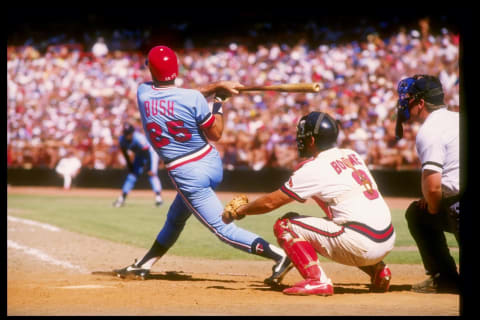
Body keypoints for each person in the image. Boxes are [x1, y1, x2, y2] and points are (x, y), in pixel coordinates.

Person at [114, 45, 292, 285]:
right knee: (175, 218)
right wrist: (218, 101)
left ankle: (280, 255)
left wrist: (216, 89)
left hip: (186, 171)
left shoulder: (143, 93)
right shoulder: (194, 98)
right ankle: (144, 265)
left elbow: (179, 96)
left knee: (222, 229)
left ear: (152, 70)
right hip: (209, 161)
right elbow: (216, 133)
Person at [222, 111, 396, 296]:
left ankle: (317, 281)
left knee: (286, 225)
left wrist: (241, 211)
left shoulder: (314, 168)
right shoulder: (351, 155)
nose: (300, 140)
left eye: (303, 136)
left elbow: (271, 203)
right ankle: (378, 270)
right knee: (333, 218)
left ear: (312, 140)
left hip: (361, 243)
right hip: (387, 240)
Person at [395, 74, 460, 293]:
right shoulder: (458, 119)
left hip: (459, 205)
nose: (405, 103)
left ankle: (445, 278)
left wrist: (433, 207)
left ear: (420, 102)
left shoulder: (430, 129)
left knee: (419, 213)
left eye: (409, 99)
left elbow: (432, 187)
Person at [113, 122, 163, 207]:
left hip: (150, 153)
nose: (127, 135)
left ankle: (159, 199)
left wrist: (149, 167)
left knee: (152, 174)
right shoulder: (122, 139)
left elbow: (147, 152)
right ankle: (122, 198)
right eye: (125, 133)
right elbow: (125, 153)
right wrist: (130, 166)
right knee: (132, 175)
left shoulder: (139, 138)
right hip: (140, 154)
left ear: (132, 132)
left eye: (129, 133)